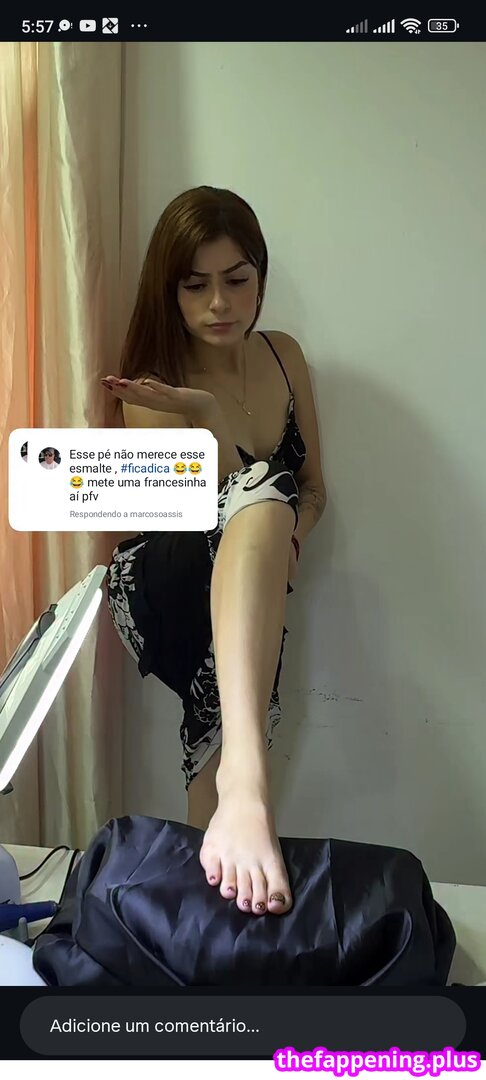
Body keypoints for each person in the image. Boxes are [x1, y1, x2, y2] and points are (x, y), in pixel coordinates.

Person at [102, 186, 327, 917]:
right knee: (259, 495)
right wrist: (203, 413)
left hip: (250, 579)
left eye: (237, 279)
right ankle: (245, 784)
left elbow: (314, 490)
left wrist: (292, 536)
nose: (220, 303)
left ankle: (221, 895)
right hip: (162, 575)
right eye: (195, 286)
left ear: (260, 274)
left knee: (228, 716)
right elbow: (207, 513)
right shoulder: (152, 385)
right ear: (169, 291)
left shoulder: (285, 357)